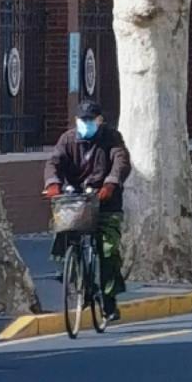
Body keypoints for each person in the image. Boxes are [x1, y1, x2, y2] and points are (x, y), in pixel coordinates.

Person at [48, 99, 131, 321]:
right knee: (64, 233)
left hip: (105, 202)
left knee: (107, 250)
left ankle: (108, 299)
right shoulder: (67, 139)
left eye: (90, 120)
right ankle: (74, 277)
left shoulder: (111, 137)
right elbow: (53, 163)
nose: (86, 124)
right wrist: (53, 184)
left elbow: (121, 161)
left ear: (99, 120)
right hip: (76, 199)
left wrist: (110, 184)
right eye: (82, 120)